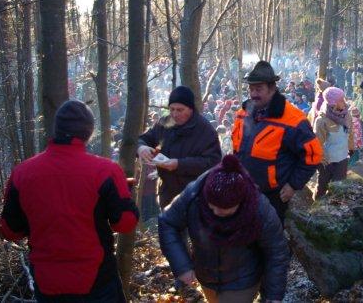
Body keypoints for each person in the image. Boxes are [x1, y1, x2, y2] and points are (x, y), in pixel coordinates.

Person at [0, 100, 139, 301]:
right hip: (96, 282)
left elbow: (9, 231)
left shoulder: (22, 173)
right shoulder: (107, 171)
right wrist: (122, 194)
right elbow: (126, 223)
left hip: (48, 284)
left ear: (56, 130)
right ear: (89, 133)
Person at [158, 154, 289, 303]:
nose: (216, 213)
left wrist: (273, 296)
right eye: (212, 207)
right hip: (206, 276)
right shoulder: (194, 194)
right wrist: (182, 266)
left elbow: (277, 251)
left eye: (224, 210)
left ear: (240, 202)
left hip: (242, 281)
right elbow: (167, 222)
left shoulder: (259, 208)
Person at [232, 61, 322, 221]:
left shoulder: (293, 120)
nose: (253, 94)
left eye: (258, 89)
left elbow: (313, 155)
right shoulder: (242, 114)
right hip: (244, 190)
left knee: (270, 240)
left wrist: (293, 185)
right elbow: (237, 150)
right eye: (251, 89)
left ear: (272, 88)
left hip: (273, 197)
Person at [137, 86, 222, 209]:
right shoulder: (165, 123)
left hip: (196, 195)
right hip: (167, 193)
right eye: (172, 109)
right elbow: (144, 138)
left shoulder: (205, 130)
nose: (175, 114)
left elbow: (212, 162)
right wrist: (141, 147)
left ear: (191, 109)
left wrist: (179, 164)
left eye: (180, 110)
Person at [313, 87, 354, 199]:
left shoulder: (347, 115)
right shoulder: (322, 120)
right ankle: (316, 209)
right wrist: (321, 158)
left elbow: (350, 133)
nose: (344, 102)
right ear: (333, 103)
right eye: (341, 99)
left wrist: (351, 148)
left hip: (342, 158)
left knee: (339, 187)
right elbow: (317, 142)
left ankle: (335, 210)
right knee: (322, 186)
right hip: (326, 161)